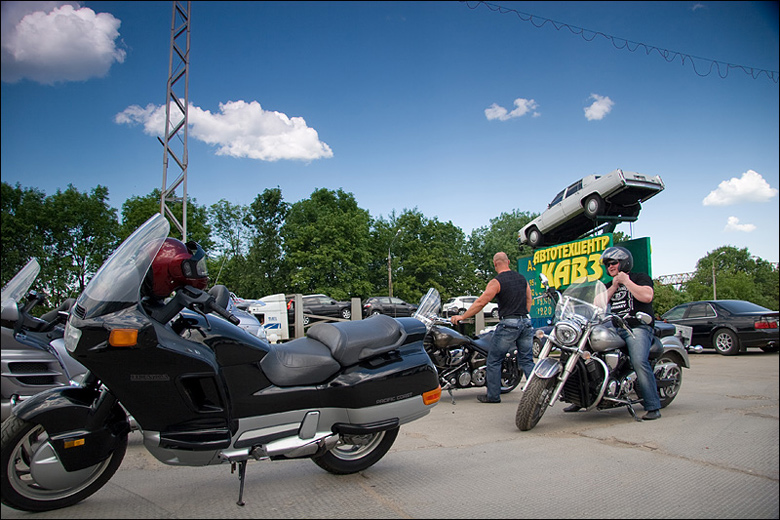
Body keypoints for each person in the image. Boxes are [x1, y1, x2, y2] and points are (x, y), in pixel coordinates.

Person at [563, 246, 661, 420]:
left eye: (613, 263)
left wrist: (626, 282)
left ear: (624, 262)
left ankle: (653, 406)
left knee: (639, 361)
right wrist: (614, 286)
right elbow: (597, 304)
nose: (610, 267)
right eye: (607, 264)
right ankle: (581, 398)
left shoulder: (640, 277)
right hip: (613, 328)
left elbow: (647, 297)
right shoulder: (609, 285)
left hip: (636, 328)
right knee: (583, 354)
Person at [451, 252, 534, 403]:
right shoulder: (522, 279)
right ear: (508, 262)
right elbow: (529, 300)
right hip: (526, 323)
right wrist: (523, 315)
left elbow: (481, 302)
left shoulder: (497, 281)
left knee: (494, 359)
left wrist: (463, 317)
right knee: (527, 360)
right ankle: (536, 393)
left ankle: (493, 396)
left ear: (495, 264)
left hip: (509, 324)